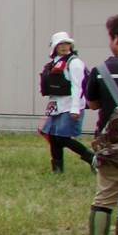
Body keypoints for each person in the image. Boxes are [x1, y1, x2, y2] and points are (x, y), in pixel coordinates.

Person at [85, 15, 118, 235]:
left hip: (113, 151)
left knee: (104, 200)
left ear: (116, 39)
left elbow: (92, 104)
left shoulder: (101, 71)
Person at [40, 31, 92, 174]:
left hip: (70, 105)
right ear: (54, 47)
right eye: (60, 44)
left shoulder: (74, 62)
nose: (64, 46)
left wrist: (75, 108)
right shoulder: (54, 63)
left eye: (66, 43)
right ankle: (57, 169)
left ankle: (92, 158)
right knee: (52, 136)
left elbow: (78, 86)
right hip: (56, 104)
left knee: (62, 137)